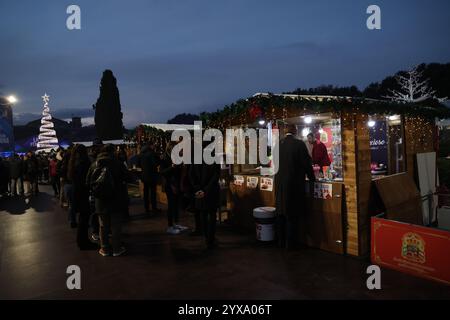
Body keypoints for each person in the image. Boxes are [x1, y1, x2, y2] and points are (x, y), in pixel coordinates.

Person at [275, 124, 315, 249]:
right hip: (293, 184)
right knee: (291, 215)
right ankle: (290, 244)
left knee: (281, 213)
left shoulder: (278, 144)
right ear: (295, 131)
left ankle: (280, 242)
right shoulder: (299, 144)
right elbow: (307, 164)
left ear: (285, 131)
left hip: (279, 183)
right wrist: (313, 178)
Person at [87, 144, 128, 257]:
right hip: (116, 198)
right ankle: (116, 249)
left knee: (103, 225)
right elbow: (128, 177)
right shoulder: (117, 163)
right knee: (116, 225)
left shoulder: (94, 164)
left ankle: (104, 249)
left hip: (100, 200)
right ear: (113, 151)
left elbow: (88, 182)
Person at [189, 147, 221, 249]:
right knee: (212, 216)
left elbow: (191, 174)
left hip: (199, 192)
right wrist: (206, 190)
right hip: (211, 192)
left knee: (203, 214)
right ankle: (210, 239)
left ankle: (207, 237)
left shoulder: (196, 158)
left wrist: (198, 188)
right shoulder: (214, 157)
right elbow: (216, 176)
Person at [68, 144, 98, 250]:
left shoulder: (73, 162)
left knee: (82, 218)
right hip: (82, 194)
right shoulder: (84, 163)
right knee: (84, 219)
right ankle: (83, 242)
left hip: (76, 193)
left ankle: (82, 241)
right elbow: (86, 180)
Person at [160, 142, 188, 235]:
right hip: (170, 185)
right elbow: (163, 172)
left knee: (176, 205)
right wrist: (171, 167)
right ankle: (170, 226)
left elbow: (178, 170)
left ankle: (176, 223)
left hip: (176, 184)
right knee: (171, 206)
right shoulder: (165, 158)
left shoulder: (176, 157)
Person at [138, 143, 160, 214]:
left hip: (144, 176)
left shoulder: (141, 155)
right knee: (153, 192)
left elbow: (139, 165)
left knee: (146, 192)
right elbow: (155, 164)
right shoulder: (151, 154)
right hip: (152, 176)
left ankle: (146, 208)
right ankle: (154, 207)